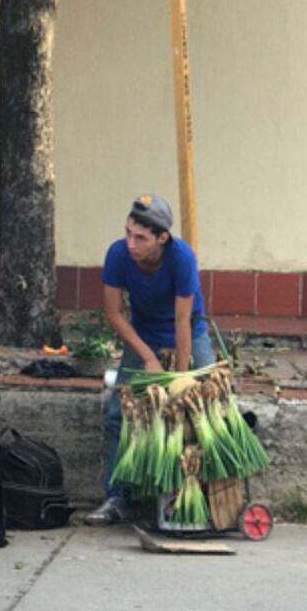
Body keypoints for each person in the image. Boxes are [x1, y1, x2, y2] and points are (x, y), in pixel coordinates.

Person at [85, 194, 215, 526]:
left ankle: (203, 496)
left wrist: (180, 379)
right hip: (142, 334)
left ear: (162, 238)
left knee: (205, 409)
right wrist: (146, 357)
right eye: (128, 233)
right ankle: (118, 497)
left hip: (186, 332)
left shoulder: (182, 257)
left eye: (140, 237)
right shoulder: (117, 255)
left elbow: (183, 321)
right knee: (120, 413)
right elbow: (113, 314)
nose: (130, 243)